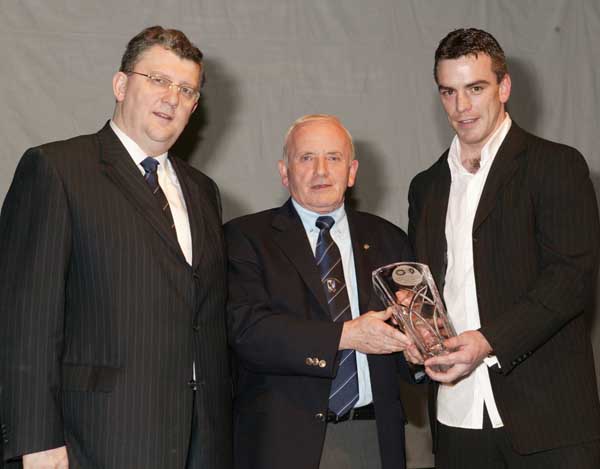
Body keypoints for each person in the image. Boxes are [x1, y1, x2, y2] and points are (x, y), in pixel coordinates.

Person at [0, 26, 232, 469]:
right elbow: (24, 320)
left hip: (199, 443)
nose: (172, 98)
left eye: (186, 90)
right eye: (158, 80)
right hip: (96, 439)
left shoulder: (204, 191)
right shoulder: (57, 169)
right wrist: (36, 441)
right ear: (121, 84)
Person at [408, 27, 600, 468]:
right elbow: (428, 287)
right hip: (456, 418)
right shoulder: (427, 186)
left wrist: (487, 341)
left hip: (548, 420)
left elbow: (571, 279)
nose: (461, 106)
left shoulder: (556, 165)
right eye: (449, 92)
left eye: (475, 88)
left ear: (504, 87)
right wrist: (416, 336)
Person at [225, 114, 417, 469]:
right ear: (284, 172)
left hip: (373, 438)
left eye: (333, 158)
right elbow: (248, 331)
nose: (321, 171)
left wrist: (417, 353)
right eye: (306, 158)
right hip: (282, 445)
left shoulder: (390, 240)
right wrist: (344, 336)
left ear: (352, 171)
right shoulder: (245, 239)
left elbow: (406, 338)